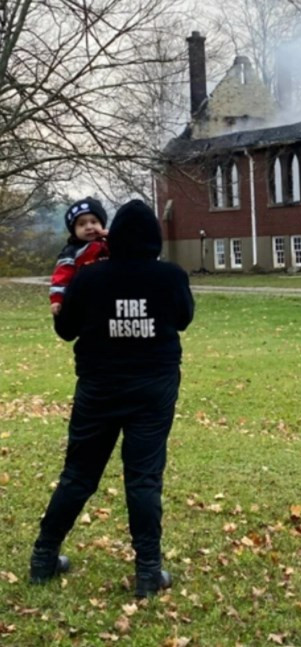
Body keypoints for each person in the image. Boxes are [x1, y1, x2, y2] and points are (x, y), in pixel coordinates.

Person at [30, 199, 194, 597]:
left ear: (113, 235)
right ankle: (148, 573)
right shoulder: (170, 277)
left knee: (79, 474)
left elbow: (65, 329)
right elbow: (183, 319)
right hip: (153, 388)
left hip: (98, 387)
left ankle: (43, 558)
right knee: (143, 478)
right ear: (154, 239)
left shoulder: (89, 279)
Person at [50, 197, 110, 315]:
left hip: (110, 296)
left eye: (94, 222)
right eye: (81, 224)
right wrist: (57, 299)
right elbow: (61, 276)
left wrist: (113, 237)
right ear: (74, 230)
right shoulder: (71, 251)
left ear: (102, 224)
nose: (88, 227)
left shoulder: (109, 244)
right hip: (86, 299)